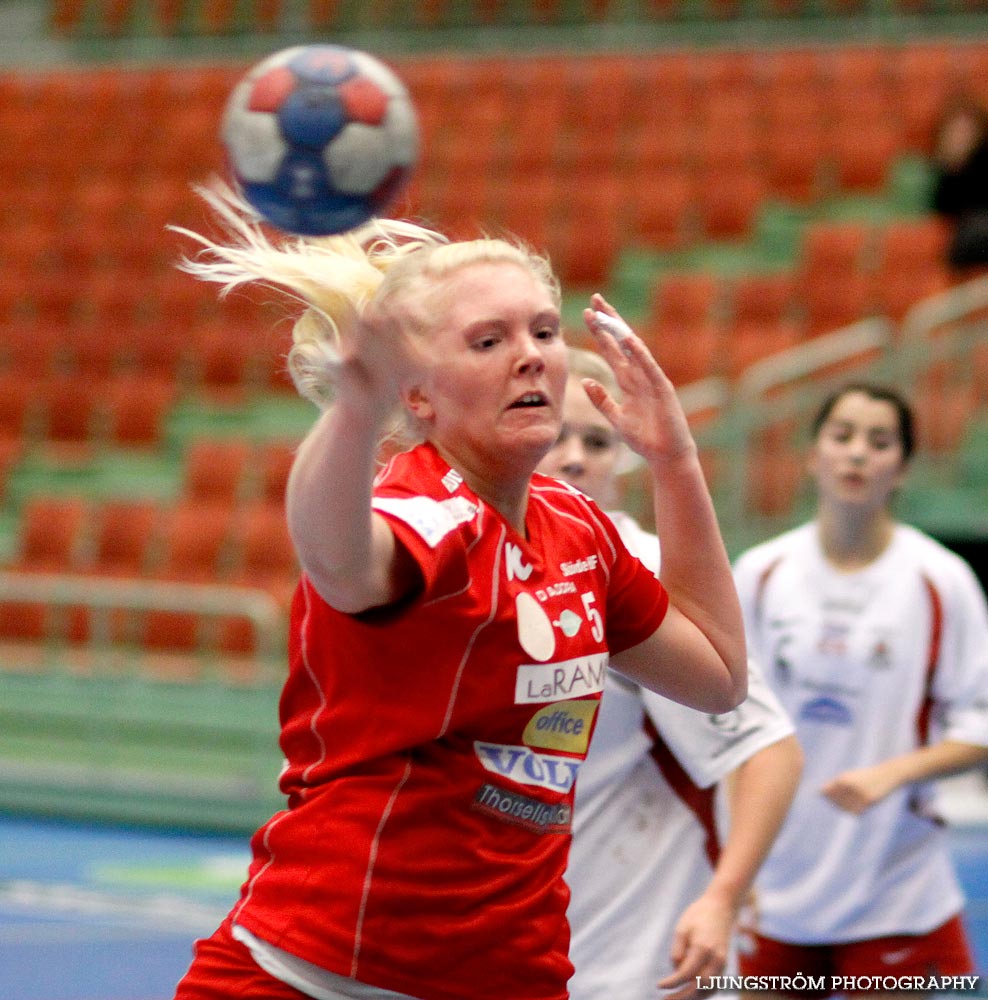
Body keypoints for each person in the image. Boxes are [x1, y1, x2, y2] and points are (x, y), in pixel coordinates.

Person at [168, 185, 748, 1000]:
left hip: (509, 975)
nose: (532, 354)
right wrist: (352, 412)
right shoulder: (430, 513)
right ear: (416, 395)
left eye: (544, 330)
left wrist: (677, 465)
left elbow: (721, 678)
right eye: (488, 340)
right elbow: (335, 556)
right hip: (318, 972)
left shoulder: (580, 531)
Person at [538, 347, 802, 1000]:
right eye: (556, 436)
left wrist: (723, 898)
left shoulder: (649, 571)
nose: (575, 457)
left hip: (637, 954)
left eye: (597, 440)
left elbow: (771, 751)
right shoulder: (491, 560)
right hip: (525, 939)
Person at [732, 382, 988, 999]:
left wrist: (892, 773)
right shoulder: (761, 574)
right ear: (812, 455)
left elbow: (980, 726)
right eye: (841, 436)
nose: (857, 454)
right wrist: (732, 865)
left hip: (892, 877)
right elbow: (731, 725)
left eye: (879, 442)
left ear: (901, 467)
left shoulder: (941, 581)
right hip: (776, 874)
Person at [930, 96, 988, 270]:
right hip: (965, 243)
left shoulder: (982, 163)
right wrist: (952, 167)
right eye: (955, 131)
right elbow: (941, 210)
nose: (960, 137)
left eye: (966, 130)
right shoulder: (938, 171)